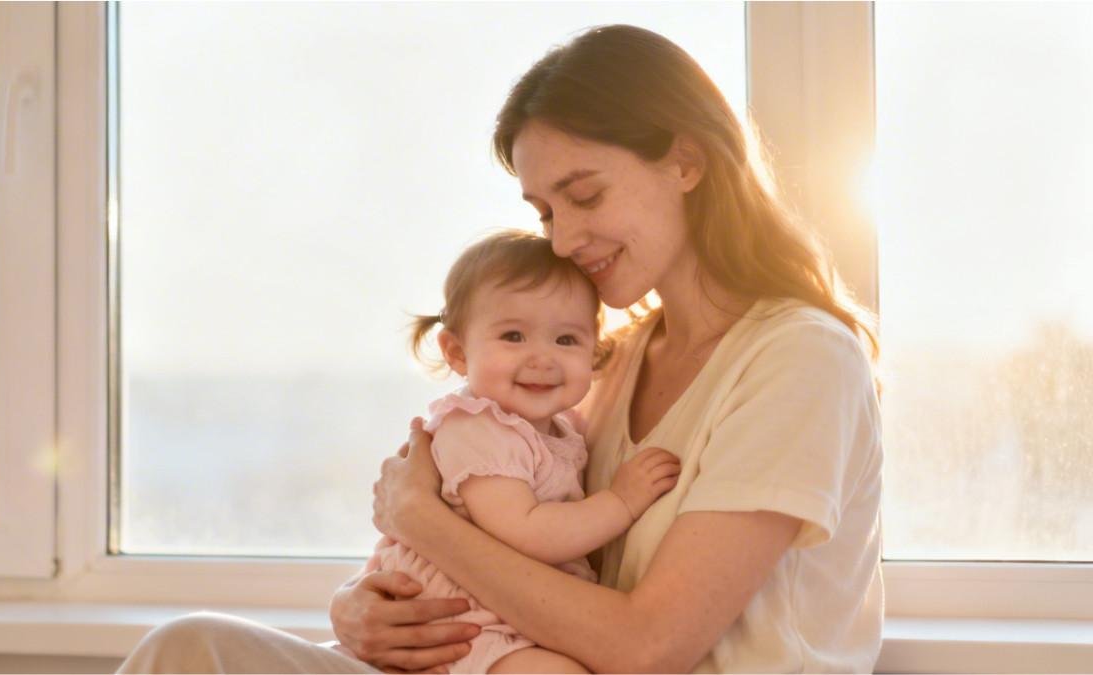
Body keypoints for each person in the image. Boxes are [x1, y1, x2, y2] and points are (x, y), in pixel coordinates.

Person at [118, 23, 883, 674]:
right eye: (545, 211)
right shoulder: (603, 362)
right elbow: (495, 513)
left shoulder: (802, 359)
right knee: (188, 650)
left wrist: (423, 521)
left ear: (687, 161)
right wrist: (361, 605)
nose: (564, 240)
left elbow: (651, 645)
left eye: (585, 196)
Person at [335, 230, 680, 673]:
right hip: (465, 625)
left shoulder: (558, 429)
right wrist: (621, 501)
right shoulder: (477, 428)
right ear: (457, 352)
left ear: (594, 349)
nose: (542, 358)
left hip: (507, 618)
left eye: (566, 340)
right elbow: (529, 533)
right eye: (514, 336)